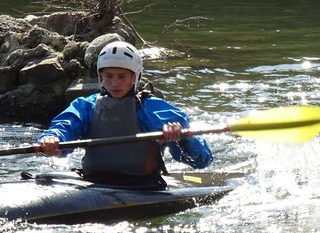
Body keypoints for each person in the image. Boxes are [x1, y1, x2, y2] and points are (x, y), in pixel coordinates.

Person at [37, 40, 212, 189]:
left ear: (135, 77)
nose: (114, 83)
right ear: (101, 76)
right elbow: (64, 127)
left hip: (143, 186)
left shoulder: (155, 110)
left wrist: (182, 139)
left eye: (122, 76)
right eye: (109, 76)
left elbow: (202, 160)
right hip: (94, 183)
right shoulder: (85, 106)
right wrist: (52, 139)